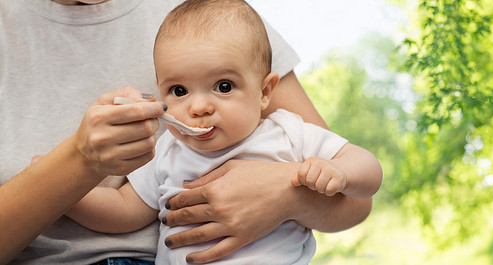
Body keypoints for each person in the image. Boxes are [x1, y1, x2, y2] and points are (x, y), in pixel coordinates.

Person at [0, 0, 376, 264]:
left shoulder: (287, 132)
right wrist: (64, 180)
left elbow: (362, 175)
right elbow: (127, 210)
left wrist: (330, 176)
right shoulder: (168, 151)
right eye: (179, 92)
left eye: (224, 87)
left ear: (265, 92)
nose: (198, 106)